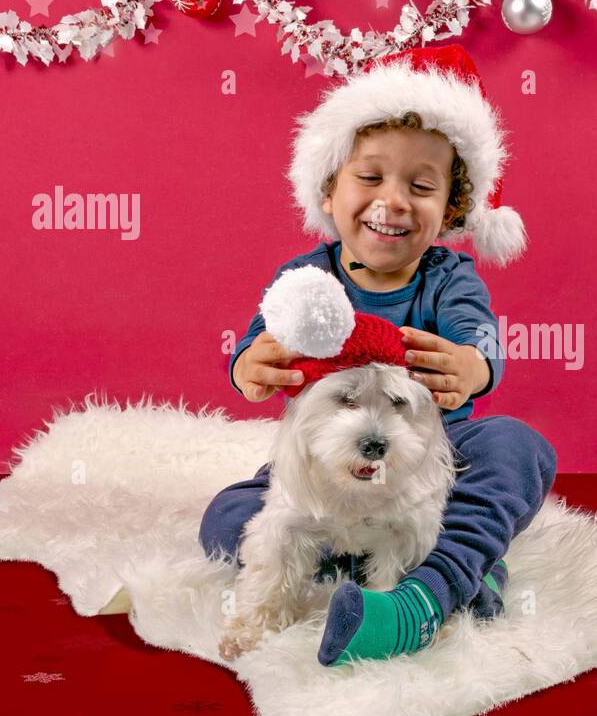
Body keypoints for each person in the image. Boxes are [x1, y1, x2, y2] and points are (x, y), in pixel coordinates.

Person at [198, 44, 557, 666]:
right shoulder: (308, 275)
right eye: (369, 177)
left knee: (515, 446)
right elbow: (260, 336)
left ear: (451, 209)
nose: (392, 202)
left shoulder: (450, 280)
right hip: (324, 468)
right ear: (328, 191)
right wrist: (247, 364)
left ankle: (437, 586)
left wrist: (474, 367)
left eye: (420, 186)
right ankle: (366, 561)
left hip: (437, 461)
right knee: (227, 519)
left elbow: (482, 336)